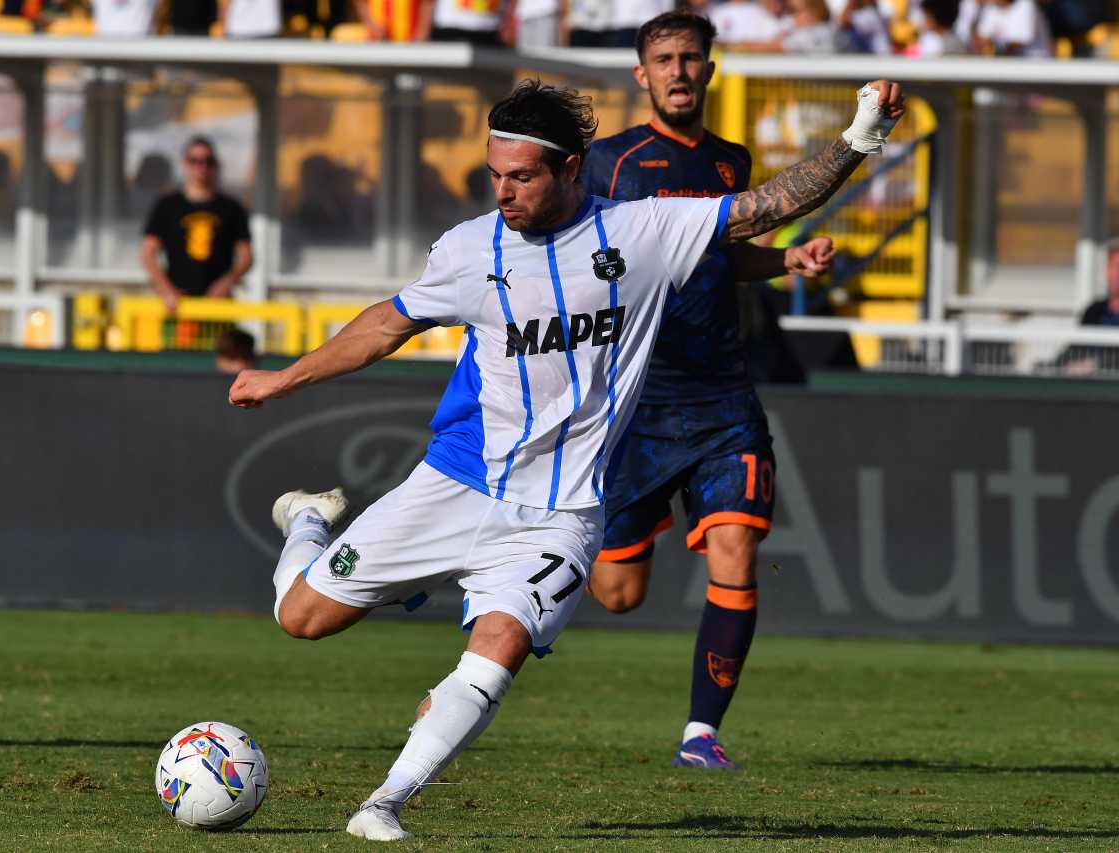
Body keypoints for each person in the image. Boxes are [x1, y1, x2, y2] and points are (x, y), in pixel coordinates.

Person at [227, 77, 902, 840]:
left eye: (522, 176)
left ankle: (384, 802)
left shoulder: (643, 232)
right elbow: (387, 324)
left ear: (571, 168)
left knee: (498, 649)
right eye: (494, 175)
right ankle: (307, 523)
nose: (504, 192)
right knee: (301, 617)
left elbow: (768, 205)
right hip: (457, 484)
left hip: (562, 512)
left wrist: (861, 138)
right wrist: (282, 378)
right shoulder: (469, 249)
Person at [581, 10, 835, 771]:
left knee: (736, 548)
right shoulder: (609, 164)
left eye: (691, 58)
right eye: (664, 59)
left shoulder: (731, 161)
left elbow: (723, 254)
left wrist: (785, 260)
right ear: (642, 74)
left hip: (724, 400)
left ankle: (701, 734)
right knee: (617, 593)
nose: (679, 71)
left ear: (709, 70)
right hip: (637, 403)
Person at [141, 137, 253, 312]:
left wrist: (227, 283)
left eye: (208, 161)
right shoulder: (167, 205)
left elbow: (246, 256)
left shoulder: (232, 208)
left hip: (218, 307)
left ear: (216, 165)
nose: (202, 167)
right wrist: (166, 289)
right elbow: (148, 253)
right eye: (194, 161)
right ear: (185, 164)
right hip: (177, 306)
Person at [974, 0, 1052, 57]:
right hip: (1006, 63)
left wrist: (995, 49)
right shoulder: (991, 7)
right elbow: (981, 38)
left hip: (1035, 62)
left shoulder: (1025, 4)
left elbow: (1019, 42)